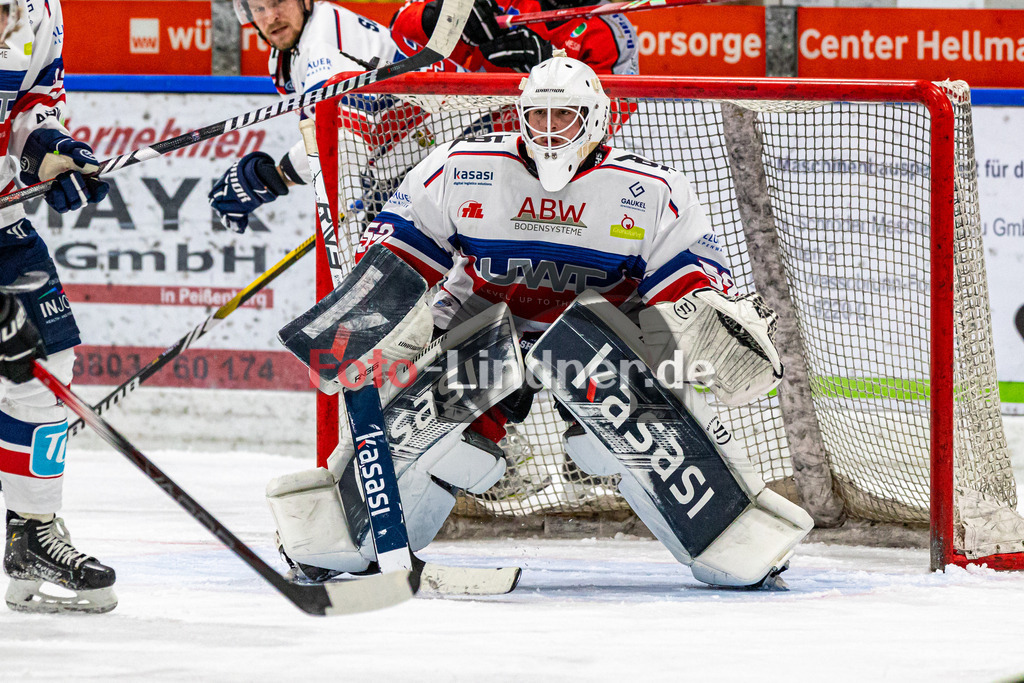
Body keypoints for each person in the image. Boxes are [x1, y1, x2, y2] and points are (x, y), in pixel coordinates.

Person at [268, 56, 812, 590]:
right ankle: (340, 537)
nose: (549, 132)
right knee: (450, 445)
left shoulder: (651, 191)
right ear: (520, 117)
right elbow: (396, 256)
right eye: (538, 117)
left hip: (597, 346)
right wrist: (362, 326)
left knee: (627, 431)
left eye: (565, 117)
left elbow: (688, 295)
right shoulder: (461, 169)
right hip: (479, 332)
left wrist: (705, 338)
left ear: (596, 119)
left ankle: (738, 538)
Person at [0, 0, 116, 613]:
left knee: (47, 366)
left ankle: (32, 532)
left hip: (1, 221)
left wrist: (48, 152)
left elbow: (30, 105)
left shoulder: (42, 10)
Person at [210, 0, 463, 233]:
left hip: (465, 144)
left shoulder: (321, 40)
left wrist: (274, 177)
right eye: (259, 9)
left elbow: (343, 143)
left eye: (279, 2)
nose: (271, 16)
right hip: (425, 157)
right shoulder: (287, 54)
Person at [390, 0, 639, 75]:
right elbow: (398, 29)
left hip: (542, 151)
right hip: (464, 121)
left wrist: (552, 71)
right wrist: (439, 18)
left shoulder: (615, 32)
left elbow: (612, 122)